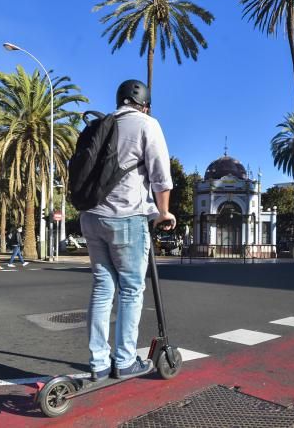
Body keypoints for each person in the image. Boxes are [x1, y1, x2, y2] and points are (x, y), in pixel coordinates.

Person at [80, 79, 175, 382]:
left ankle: (98, 362)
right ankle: (124, 360)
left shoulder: (101, 124)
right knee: (131, 289)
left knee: (102, 287)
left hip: (91, 217)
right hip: (126, 217)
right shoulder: (147, 124)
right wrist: (163, 212)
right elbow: (161, 175)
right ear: (144, 104)